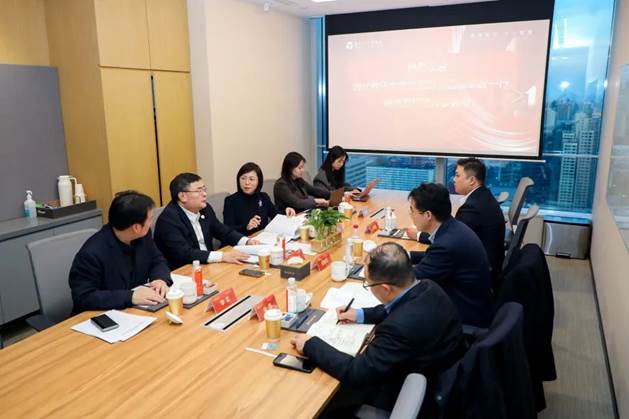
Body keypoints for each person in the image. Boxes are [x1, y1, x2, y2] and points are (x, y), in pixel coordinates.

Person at [291, 242, 464, 413]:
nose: (369, 288)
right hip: (443, 370)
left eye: (368, 284)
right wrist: (360, 314)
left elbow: (356, 373)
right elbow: (398, 306)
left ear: (385, 288)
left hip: (408, 392)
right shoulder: (428, 286)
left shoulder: (398, 328)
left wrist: (310, 345)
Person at [69, 191, 171, 313]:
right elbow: (84, 297)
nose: (151, 223)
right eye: (150, 219)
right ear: (136, 228)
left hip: (137, 311)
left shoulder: (143, 235)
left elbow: (157, 259)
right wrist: (130, 297)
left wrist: (160, 279)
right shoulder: (92, 253)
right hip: (101, 315)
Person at [408, 183, 493, 327]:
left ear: (428, 215)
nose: (411, 215)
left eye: (412, 210)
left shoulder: (446, 245)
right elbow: (434, 257)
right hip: (475, 303)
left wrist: (382, 267)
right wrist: (407, 255)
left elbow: (411, 280)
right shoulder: (452, 227)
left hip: (464, 316)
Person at [154, 173, 257, 270]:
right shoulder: (168, 220)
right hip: (184, 271)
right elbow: (185, 253)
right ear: (182, 196)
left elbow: (223, 231)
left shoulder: (205, 209)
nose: (204, 194)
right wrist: (223, 256)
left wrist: (247, 241)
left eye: (204, 189)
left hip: (208, 264)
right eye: (199, 191)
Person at [452, 157, 506, 279]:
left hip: (477, 274)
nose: (454, 179)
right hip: (489, 265)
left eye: (457, 175)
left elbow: (452, 242)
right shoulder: (483, 196)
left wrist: (420, 236)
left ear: (472, 180)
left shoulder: (472, 208)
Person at [223, 162, 296, 235]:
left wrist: (286, 211)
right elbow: (227, 229)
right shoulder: (231, 201)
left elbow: (276, 215)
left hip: (263, 238)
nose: (247, 182)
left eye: (251, 179)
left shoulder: (263, 197)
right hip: (243, 240)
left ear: (259, 181)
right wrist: (246, 227)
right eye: (243, 178)